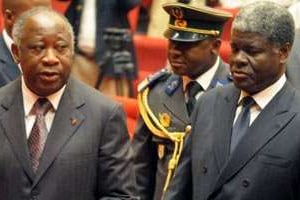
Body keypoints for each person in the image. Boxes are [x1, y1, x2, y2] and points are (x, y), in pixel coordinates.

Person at [165, 2, 300, 200]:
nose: (238, 59)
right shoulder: (208, 103)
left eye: (252, 52)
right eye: (235, 48)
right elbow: (180, 188)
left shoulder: (296, 116)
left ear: (283, 52)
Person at [0, 7, 135, 200]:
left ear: (72, 51)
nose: (51, 58)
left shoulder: (104, 114)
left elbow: (120, 195)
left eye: (61, 48)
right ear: (16, 52)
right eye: (38, 48)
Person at [132, 3, 232, 200]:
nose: (175, 52)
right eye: (172, 43)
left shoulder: (236, 91)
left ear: (214, 46)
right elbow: (139, 169)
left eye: (187, 45)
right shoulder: (155, 93)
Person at [58, 0, 140, 95]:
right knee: (73, 104)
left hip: (111, 61)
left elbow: (131, 3)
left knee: (110, 106)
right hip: (78, 59)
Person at [0, 0, 51, 87]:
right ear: (9, 17)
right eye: (36, 17)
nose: (45, 24)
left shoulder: (60, 56)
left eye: (49, 16)